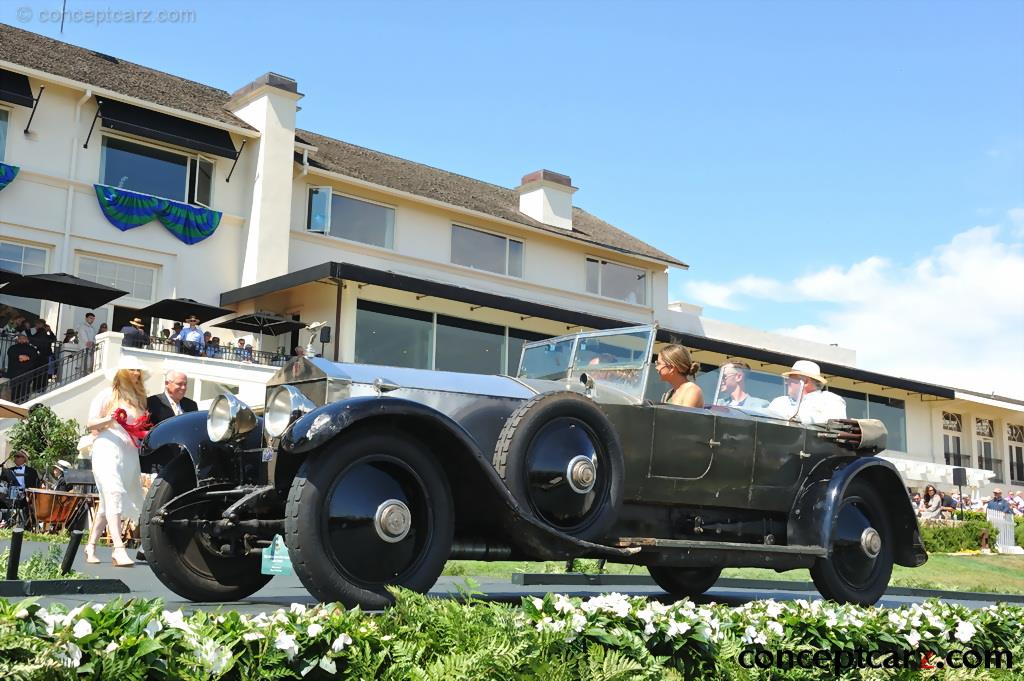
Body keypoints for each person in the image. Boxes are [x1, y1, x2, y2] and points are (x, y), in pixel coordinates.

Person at [83, 355, 151, 567]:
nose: (136, 374)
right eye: (132, 370)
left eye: (138, 370)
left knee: (107, 503)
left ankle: (91, 545)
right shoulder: (107, 395)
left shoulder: (139, 400)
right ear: (122, 372)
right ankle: (118, 549)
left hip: (129, 452)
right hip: (106, 448)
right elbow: (90, 423)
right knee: (113, 493)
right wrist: (110, 419)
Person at [767, 360, 846, 425]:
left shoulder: (830, 400)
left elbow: (835, 424)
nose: (786, 382)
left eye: (790, 379)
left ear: (805, 382)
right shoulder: (779, 402)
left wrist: (801, 419)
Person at [5, 332, 39, 402]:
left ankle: (19, 404)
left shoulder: (31, 349)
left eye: (23, 338)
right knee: (19, 391)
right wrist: (23, 357)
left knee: (20, 391)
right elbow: (34, 359)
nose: (22, 340)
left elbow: (35, 358)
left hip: (22, 373)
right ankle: (18, 404)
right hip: (21, 373)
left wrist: (23, 357)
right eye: (21, 339)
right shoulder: (13, 348)